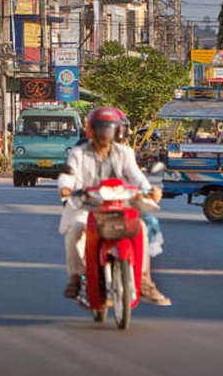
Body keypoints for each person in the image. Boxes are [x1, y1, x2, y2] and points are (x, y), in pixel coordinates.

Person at [58, 107, 169, 306]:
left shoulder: (125, 153)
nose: (105, 134)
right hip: (87, 205)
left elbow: (136, 176)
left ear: (118, 131)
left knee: (142, 228)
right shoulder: (78, 153)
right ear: (91, 130)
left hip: (120, 204)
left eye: (109, 128)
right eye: (101, 128)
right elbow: (69, 173)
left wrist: (149, 189)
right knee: (74, 231)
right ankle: (75, 278)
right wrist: (66, 187)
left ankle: (144, 279)